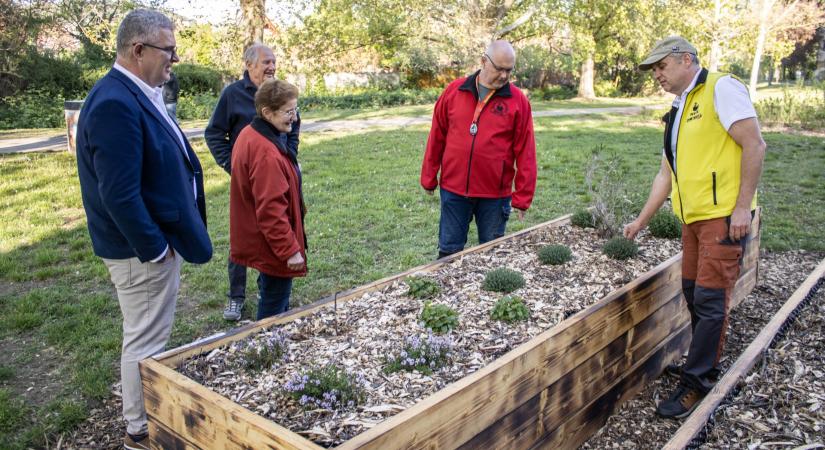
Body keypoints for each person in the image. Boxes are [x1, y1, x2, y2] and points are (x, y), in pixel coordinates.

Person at [74, 9, 212, 449]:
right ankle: (140, 428)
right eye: (168, 50)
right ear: (138, 50)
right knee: (146, 340)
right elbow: (119, 194)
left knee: (147, 333)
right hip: (140, 252)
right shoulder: (115, 102)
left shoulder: (136, 91)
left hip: (150, 243)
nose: (174, 59)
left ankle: (140, 419)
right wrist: (155, 249)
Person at [623, 36, 766, 419]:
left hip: (722, 218)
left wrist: (741, 209)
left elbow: (755, 146)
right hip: (693, 219)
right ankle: (699, 361)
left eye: (661, 67)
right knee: (692, 291)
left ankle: (699, 381)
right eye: (653, 70)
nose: (657, 75)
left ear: (687, 60)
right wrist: (641, 220)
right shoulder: (678, 107)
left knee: (710, 299)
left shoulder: (721, 87)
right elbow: (665, 173)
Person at [205, 43, 301, 321]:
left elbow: (294, 126)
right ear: (249, 65)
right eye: (266, 62)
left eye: (274, 61)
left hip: (277, 168)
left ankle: (269, 289)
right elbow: (214, 134)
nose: (271, 66)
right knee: (248, 233)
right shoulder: (233, 95)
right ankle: (239, 296)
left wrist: (290, 155)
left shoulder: (280, 92)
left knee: (277, 223)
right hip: (254, 172)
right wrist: (234, 167)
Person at [420, 40, 537, 259]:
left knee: (491, 255)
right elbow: (437, 135)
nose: (504, 76)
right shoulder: (454, 91)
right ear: (484, 61)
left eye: (509, 70)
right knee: (448, 252)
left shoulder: (518, 101)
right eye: (499, 69)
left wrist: (522, 197)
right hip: (454, 190)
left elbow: (526, 151)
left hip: (495, 195)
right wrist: (428, 177)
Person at [229, 79, 306, 320]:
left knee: (272, 294)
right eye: (288, 112)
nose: (294, 117)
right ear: (267, 112)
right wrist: (290, 250)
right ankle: (269, 350)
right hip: (272, 246)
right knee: (274, 310)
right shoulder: (266, 153)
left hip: (262, 240)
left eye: (295, 110)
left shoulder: (251, 133)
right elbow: (271, 211)